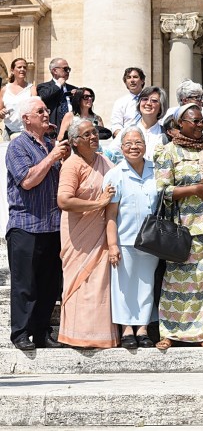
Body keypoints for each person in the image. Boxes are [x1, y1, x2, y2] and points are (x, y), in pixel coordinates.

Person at [155, 103, 203, 350]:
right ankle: (171, 332)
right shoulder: (168, 152)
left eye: (201, 121)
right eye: (194, 121)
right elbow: (163, 191)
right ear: (181, 124)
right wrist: (194, 190)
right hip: (184, 228)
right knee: (179, 282)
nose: (199, 125)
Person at [6, 97, 68, 350]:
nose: (45, 114)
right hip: (26, 225)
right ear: (26, 119)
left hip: (53, 226)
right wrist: (52, 157)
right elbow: (27, 180)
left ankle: (42, 332)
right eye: (39, 111)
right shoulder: (18, 146)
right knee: (25, 284)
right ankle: (20, 333)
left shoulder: (52, 144)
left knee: (49, 285)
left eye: (46, 110)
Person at [57, 118, 118, 348]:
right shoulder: (72, 165)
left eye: (95, 132)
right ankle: (75, 335)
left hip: (101, 230)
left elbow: (115, 188)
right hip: (78, 232)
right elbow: (64, 200)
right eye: (87, 134)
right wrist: (97, 204)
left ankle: (100, 337)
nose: (93, 137)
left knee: (99, 282)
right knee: (79, 282)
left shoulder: (105, 161)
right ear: (74, 141)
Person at [104, 126, 160, 349]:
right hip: (124, 239)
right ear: (121, 148)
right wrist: (112, 244)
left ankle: (143, 328)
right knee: (124, 285)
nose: (133, 147)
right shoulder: (115, 174)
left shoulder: (156, 170)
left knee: (146, 284)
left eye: (138, 143)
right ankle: (127, 329)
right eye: (128, 144)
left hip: (151, 239)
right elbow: (110, 214)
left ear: (145, 146)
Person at [106, 86, 168, 164]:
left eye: (154, 101)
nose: (148, 103)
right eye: (145, 99)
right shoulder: (127, 131)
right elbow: (110, 154)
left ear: (161, 107)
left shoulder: (166, 135)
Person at [0, 57, 37, 140]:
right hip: (8, 131)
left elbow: (36, 109)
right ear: (12, 70)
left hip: (27, 131)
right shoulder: (5, 89)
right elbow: (0, 112)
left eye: (24, 67)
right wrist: (1, 113)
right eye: (19, 67)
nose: (22, 69)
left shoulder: (31, 88)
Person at [38, 57, 78, 131]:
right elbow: (43, 97)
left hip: (73, 126)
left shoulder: (73, 89)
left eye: (69, 69)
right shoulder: (43, 87)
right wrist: (58, 85)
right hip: (54, 127)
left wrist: (78, 96)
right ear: (54, 71)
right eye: (65, 69)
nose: (68, 72)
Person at [110, 67, 146, 137]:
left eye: (135, 77)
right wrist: (126, 138)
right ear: (125, 82)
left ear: (142, 80)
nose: (132, 80)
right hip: (126, 139)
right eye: (129, 77)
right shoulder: (120, 102)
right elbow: (116, 125)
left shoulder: (151, 100)